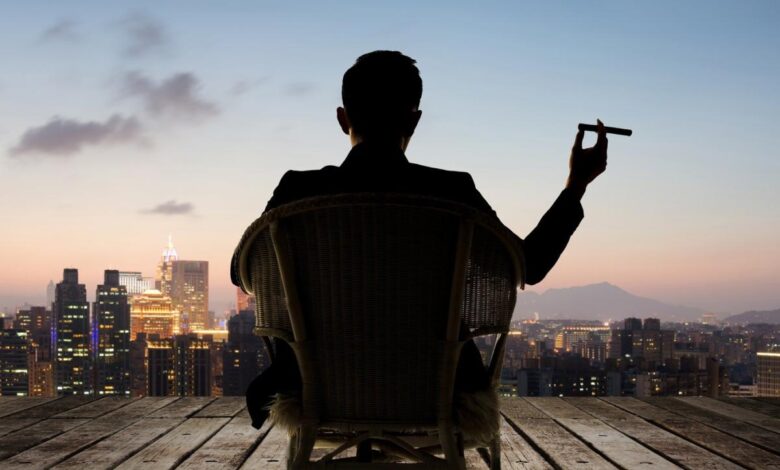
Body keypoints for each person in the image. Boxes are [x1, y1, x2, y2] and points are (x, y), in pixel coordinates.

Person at [233, 50, 608, 429]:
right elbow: (530, 265)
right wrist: (576, 186)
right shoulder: (453, 192)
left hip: (314, 390)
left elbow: (241, 271)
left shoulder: (297, 189)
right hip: (440, 392)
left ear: (342, 118)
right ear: (415, 120)